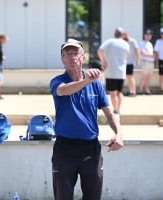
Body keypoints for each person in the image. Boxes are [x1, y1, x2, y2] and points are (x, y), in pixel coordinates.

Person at [50, 38, 123, 200]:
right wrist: (86, 81)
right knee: (63, 196)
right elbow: (65, 91)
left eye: (76, 53)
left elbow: (110, 114)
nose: (72, 57)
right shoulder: (57, 81)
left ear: (83, 58)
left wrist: (119, 133)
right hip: (64, 149)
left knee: (93, 196)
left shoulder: (95, 85)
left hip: (90, 149)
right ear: (63, 60)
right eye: (67, 54)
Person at [97, 27, 130, 121]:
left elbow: (99, 51)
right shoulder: (126, 44)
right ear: (122, 35)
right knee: (119, 92)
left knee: (113, 92)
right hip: (121, 72)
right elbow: (127, 57)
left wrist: (103, 62)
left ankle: (115, 111)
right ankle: (118, 110)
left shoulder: (110, 42)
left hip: (111, 71)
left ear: (114, 34)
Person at [122, 32, 140, 97]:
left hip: (130, 62)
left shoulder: (133, 41)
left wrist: (137, 60)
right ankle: (130, 91)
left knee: (130, 76)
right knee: (128, 77)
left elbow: (138, 51)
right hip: (125, 62)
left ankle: (134, 92)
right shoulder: (123, 42)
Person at [139, 29, 154, 95]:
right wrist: (151, 55)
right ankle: (140, 90)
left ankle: (146, 90)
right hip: (145, 61)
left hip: (151, 62)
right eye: (147, 35)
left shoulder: (150, 44)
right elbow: (142, 53)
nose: (148, 36)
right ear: (144, 35)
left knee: (148, 76)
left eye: (150, 35)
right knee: (144, 76)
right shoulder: (142, 43)